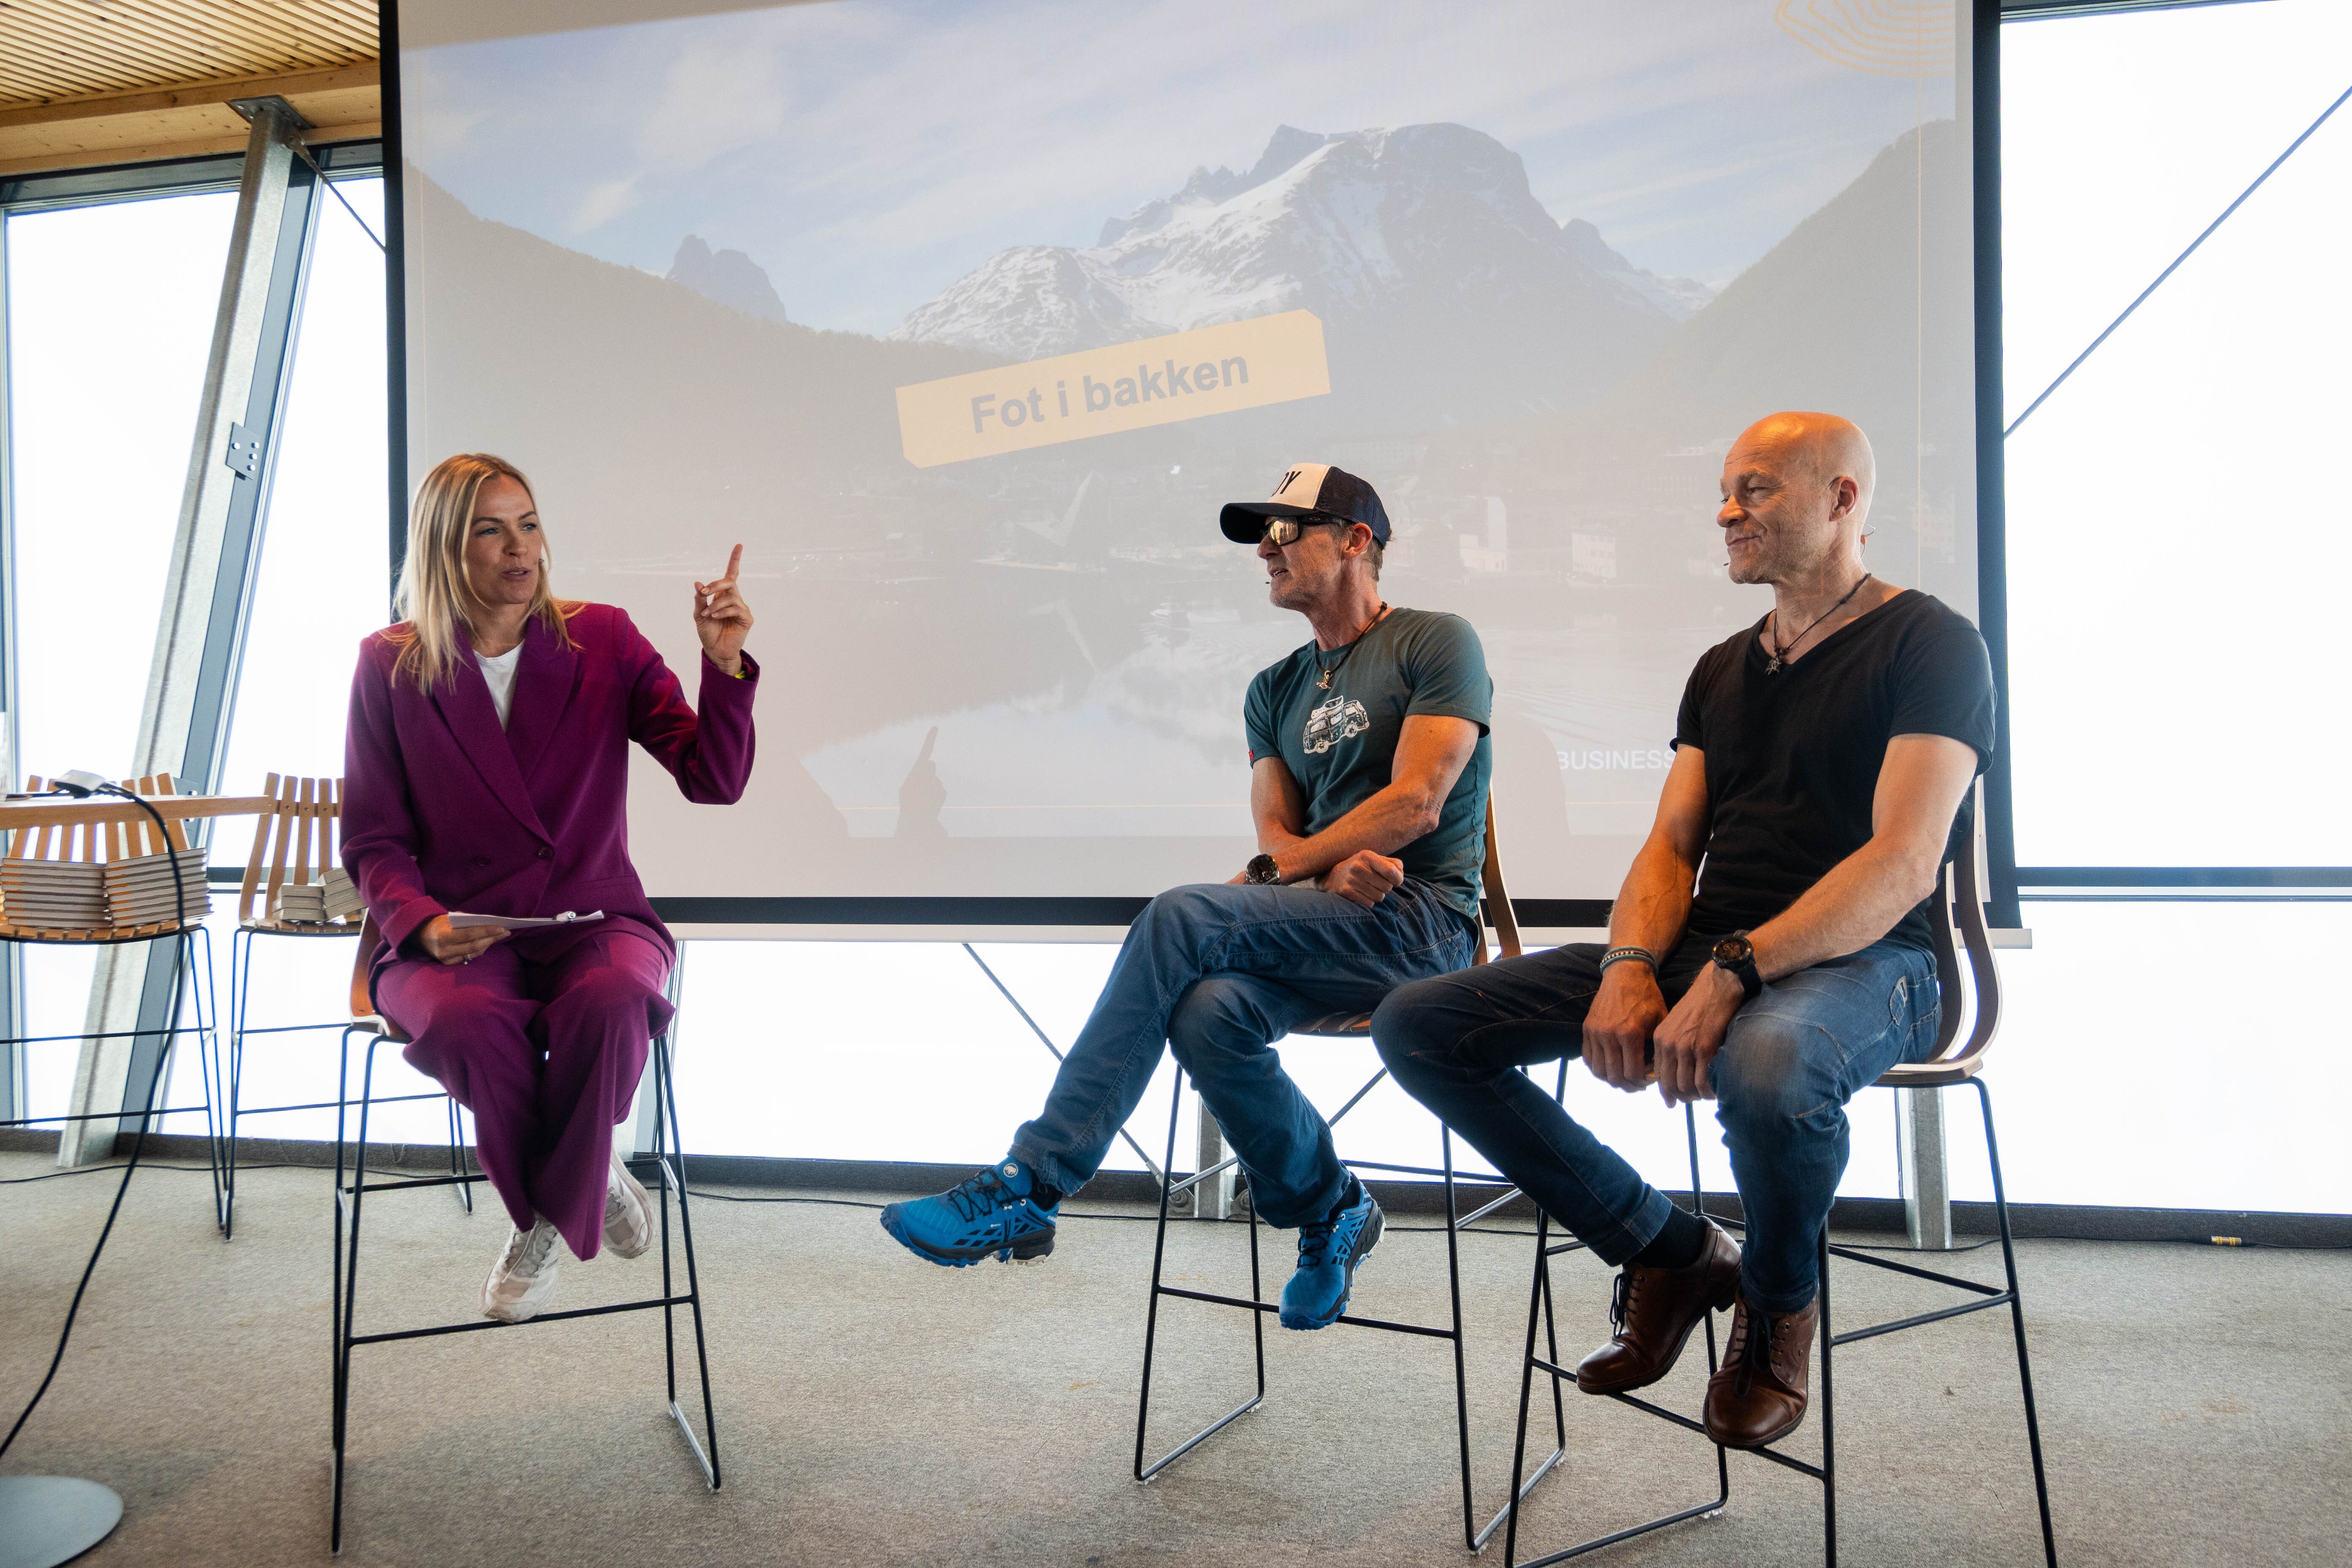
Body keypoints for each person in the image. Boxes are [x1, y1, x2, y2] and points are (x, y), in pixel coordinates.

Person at [1373, 412, 1993, 1447]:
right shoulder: (1720, 666)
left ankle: (1779, 1299)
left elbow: (1901, 862)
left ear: (1842, 498)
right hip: (1710, 948)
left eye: (1755, 490)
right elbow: (1670, 847)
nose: (1725, 510)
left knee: (1769, 1061)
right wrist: (1627, 965)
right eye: (1725, 489)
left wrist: (1738, 970)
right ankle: (1664, 1247)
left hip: (1879, 962)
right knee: (1421, 1025)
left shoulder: (1931, 641)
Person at [881, 463, 1494, 1330]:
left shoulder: (1437, 641)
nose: (1265, 548)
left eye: (1287, 529)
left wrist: (1309, 865)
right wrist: (1321, 869)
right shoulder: (1272, 690)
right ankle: (1332, 1206)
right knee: (1208, 1011)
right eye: (1259, 534)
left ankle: (1034, 1180)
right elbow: (1276, 842)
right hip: (1326, 924)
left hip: (1422, 924)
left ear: (1357, 540)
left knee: (1182, 914)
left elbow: (1416, 803)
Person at [342, 452, 757, 1323]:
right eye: (489, 530)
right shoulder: (389, 665)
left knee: (610, 1002)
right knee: (464, 1021)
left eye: (527, 523)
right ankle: (589, 1171)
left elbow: (712, 778)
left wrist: (723, 665)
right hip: (452, 928)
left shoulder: (602, 637)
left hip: (593, 916)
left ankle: (539, 1219)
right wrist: (419, 923)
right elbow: (374, 835)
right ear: (443, 548)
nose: (518, 548)